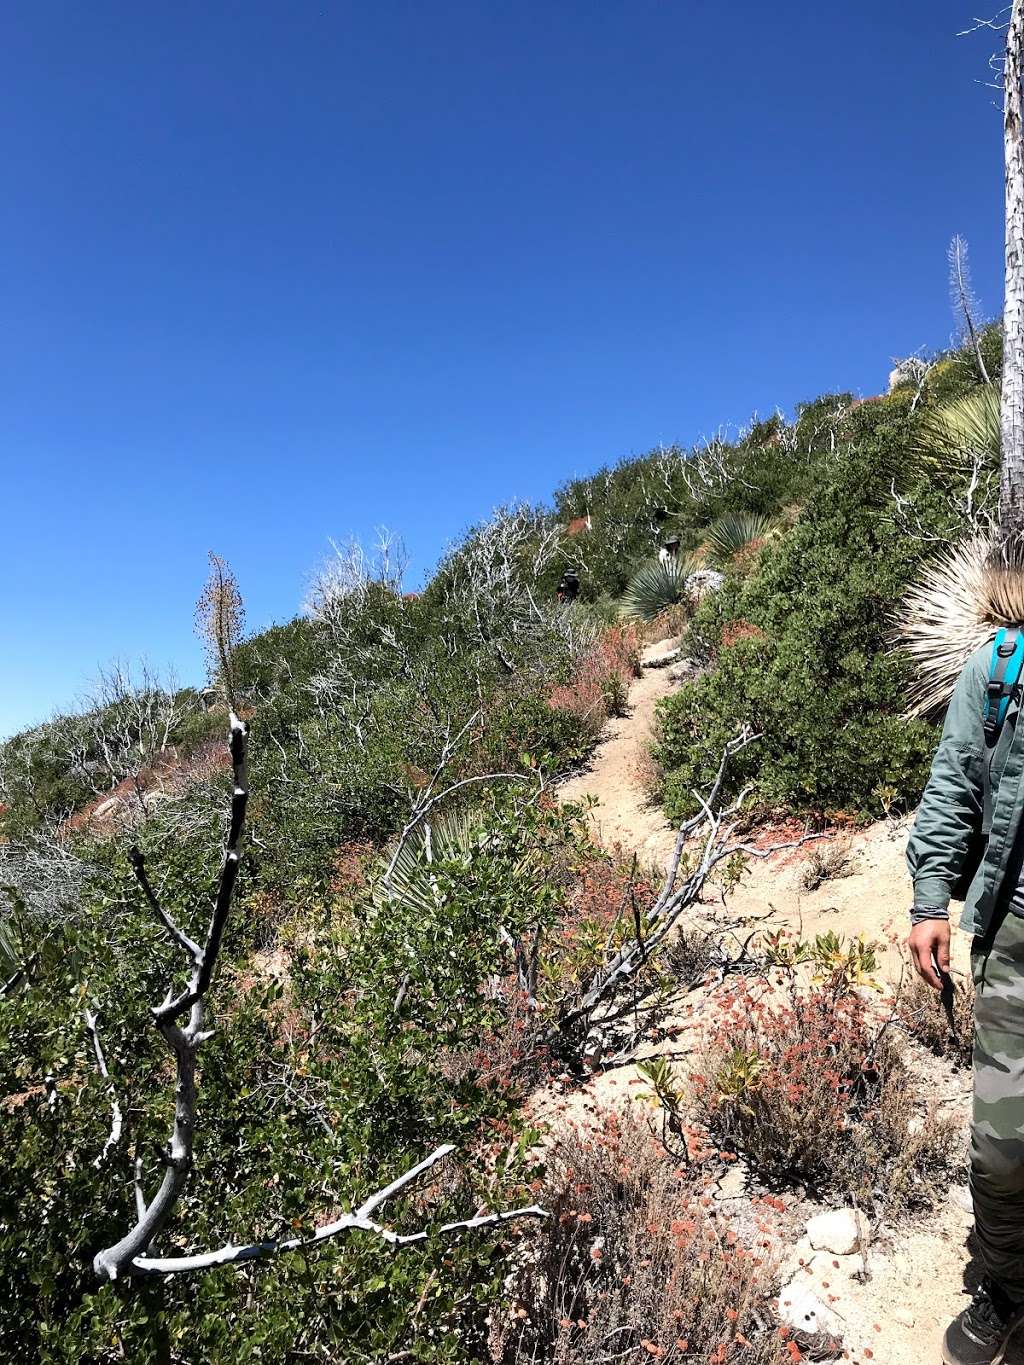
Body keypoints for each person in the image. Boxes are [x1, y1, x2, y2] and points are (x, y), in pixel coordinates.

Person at [907, 635, 1024, 1364]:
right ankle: (1009, 1286)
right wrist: (929, 899)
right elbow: (955, 781)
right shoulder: (1001, 667)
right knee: (1001, 1143)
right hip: (1016, 928)